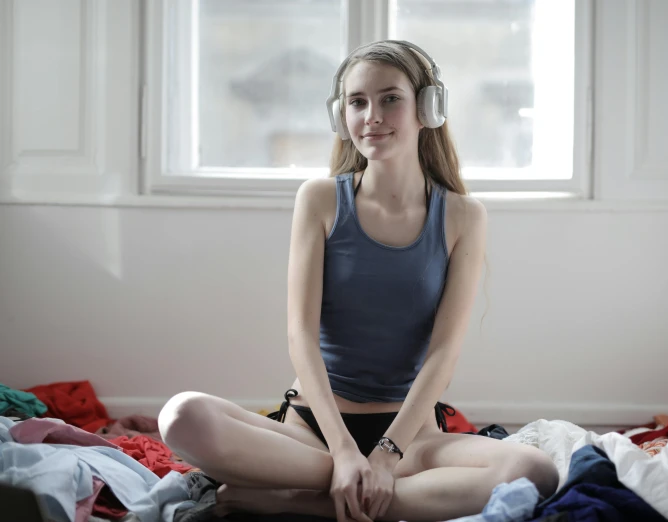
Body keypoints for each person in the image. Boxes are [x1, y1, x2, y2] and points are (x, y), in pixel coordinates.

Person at [158, 40, 558, 522]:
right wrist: (346, 454)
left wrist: (386, 456)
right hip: (313, 429)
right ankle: (352, 485)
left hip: (410, 438)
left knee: (533, 469)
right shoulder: (320, 199)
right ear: (340, 114)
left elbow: (442, 355)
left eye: (391, 98)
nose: (372, 115)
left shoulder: (463, 216)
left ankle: (302, 502)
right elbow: (300, 336)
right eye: (357, 101)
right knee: (183, 416)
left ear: (428, 107)